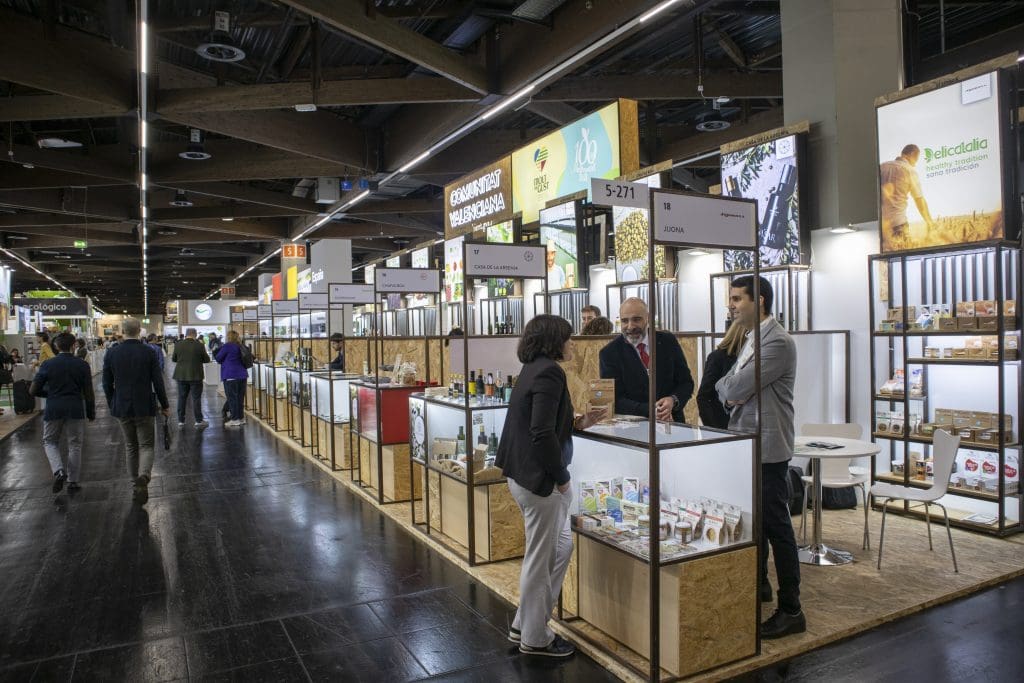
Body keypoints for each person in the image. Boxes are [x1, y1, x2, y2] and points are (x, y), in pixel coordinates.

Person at [495, 315, 605, 658]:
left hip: (524, 476)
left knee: (561, 548)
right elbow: (541, 433)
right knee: (540, 560)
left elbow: (544, 422)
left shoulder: (534, 369)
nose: (572, 344)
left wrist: (578, 422)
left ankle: (525, 624)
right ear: (553, 340)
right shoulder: (549, 372)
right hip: (540, 481)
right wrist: (562, 477)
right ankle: (535, 638)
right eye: (568, 338)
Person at [715, 276, 804, 639]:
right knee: (757, 524)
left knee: (777, 527)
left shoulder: (778, 342)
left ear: (760, 301)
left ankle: (791, 609)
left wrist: (732, 391)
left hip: (768, 448)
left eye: (737, 299)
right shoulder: (752, 338)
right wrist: (731, 392)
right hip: (746, 443)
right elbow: (724, 387)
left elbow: (734, 386)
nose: (731, 305)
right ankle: (761, 586)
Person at [102, 318, 170, 505]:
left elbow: (106, 383)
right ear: (139, 330)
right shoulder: (149, 352)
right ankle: (144, 476)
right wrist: (164, 405)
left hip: (122, 405)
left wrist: (112, 402)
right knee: (146, 445)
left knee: (130, 446)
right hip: (144, 405)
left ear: (122, 331)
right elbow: (158, 381)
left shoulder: (112, 353)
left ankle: (135, 484)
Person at [599, 297, 694, 422]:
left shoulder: (667, 341)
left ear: (648, 318)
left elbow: (686, 382)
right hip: (634, 427)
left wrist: (673, 400)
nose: (630, 326)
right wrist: (651, 410)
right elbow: (615, 399)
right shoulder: (609, 353)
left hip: (673, 424)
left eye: (636, 319)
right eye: (624, 321)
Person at [29, 332, 96, 494]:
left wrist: (49, 394)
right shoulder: (82, 365)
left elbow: (33, 390)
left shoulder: (47, 364)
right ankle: (73, 480)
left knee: (49, 441)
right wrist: (90, 411)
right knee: (75, 444)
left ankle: (58, 470)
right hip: (75, 408)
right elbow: (88, 392)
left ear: (56, 346)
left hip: (53, 407)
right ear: (74, 346)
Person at [880, 144, 935, 249]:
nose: (915, 164)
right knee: (902, 254)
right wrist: (929, 222)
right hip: (899, 224)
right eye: (916, 160)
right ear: (912, 154)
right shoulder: (909, 170)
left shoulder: (882, 167)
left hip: (881, 227)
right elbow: (919, 200)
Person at [696, 320, 746, 429]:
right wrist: (716, 430)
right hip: (723, 426)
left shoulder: (752, 359)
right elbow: (704, 397)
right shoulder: (718, 357)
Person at [171, 327, 210, 428]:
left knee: (181, 398)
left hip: (181, 375)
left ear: (186, 334)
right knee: (196, 398)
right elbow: (206, 359)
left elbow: (174, 359)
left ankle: (181, 421)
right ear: (195, 334)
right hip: (196, 375)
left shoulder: (178, 344)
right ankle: (198, 420)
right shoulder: (199, 345)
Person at [215, 330, 248, 427]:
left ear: (228, 337)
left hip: (230, 375)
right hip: (242, 375)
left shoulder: (227, 346)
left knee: (232, 398)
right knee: (240, 398)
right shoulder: (241, 346)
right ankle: (241, 418)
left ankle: (234, 419)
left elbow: (218, 358)